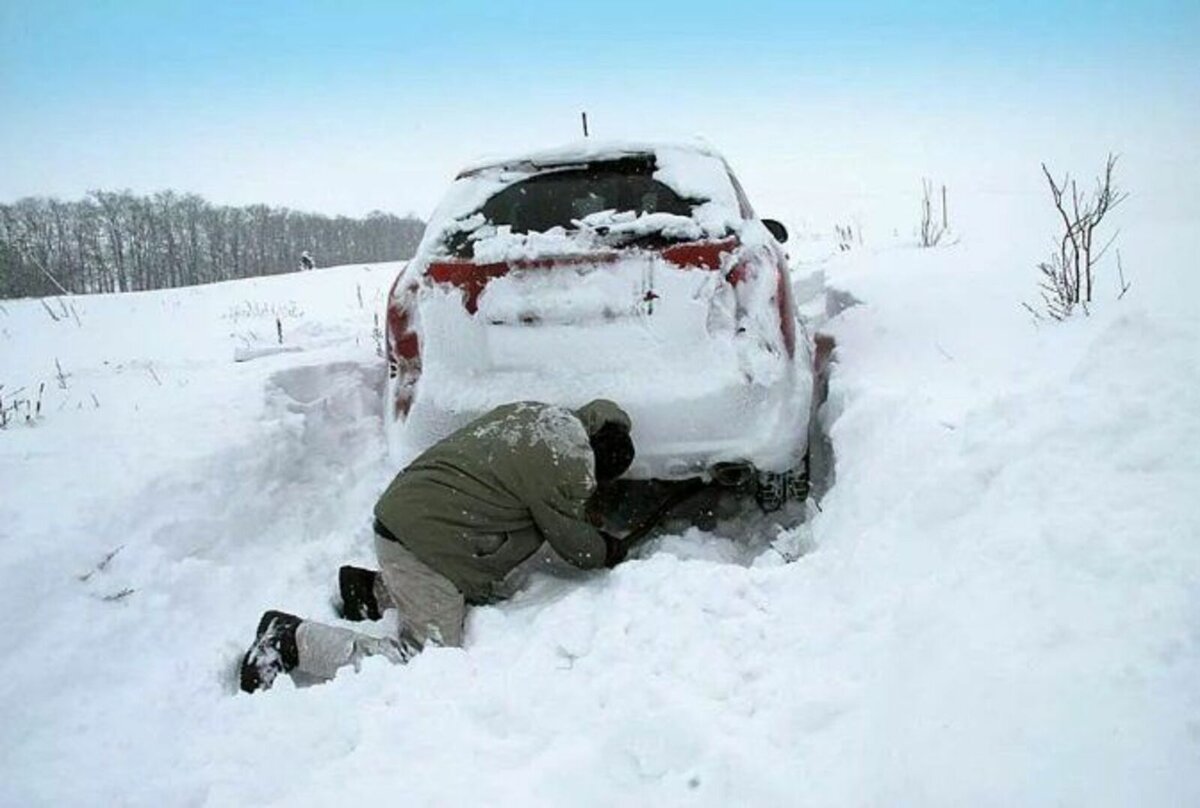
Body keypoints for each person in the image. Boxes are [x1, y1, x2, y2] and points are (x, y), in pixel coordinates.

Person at [239, 399, 635, 693]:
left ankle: (367, 593)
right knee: (428, 658)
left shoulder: (539, 415)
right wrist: (607, 549)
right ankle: (291, 640)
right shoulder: (567, 461)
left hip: (408, 518)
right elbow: (574, 544)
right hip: (424, 545)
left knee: (456, 591)